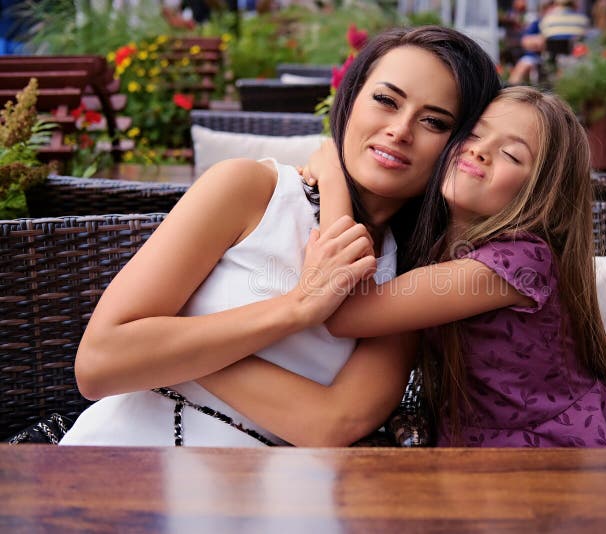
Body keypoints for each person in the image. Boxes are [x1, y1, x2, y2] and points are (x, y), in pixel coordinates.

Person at [60, 26, 501, 447]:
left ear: (458, 147)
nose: (400, 130)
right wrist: (297, 307)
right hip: (120, 460)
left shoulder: (412, 277)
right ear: (350, 101)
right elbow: (100, 363)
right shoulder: (252, 191)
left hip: (263, 503)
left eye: (435, 122)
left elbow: (332, 425)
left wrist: (167, 355)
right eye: (386, 100)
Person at [299, 86, 606, 447]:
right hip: (474, 453)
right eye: (473, 134)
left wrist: (333, 176)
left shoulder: (517, 261)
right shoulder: (438, 245)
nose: (480, 151)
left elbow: (344, 311)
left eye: (510, 155)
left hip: (558, 453)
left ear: (539, 193)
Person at [507, 0, 555, 85]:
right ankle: (511, 90)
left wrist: (541, 41)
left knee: (523, 65)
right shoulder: (538, 23)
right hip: (536, 57)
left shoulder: (554, 22)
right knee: (523, 66)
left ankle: (511, 90)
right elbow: (525, 41)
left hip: (549, 57)